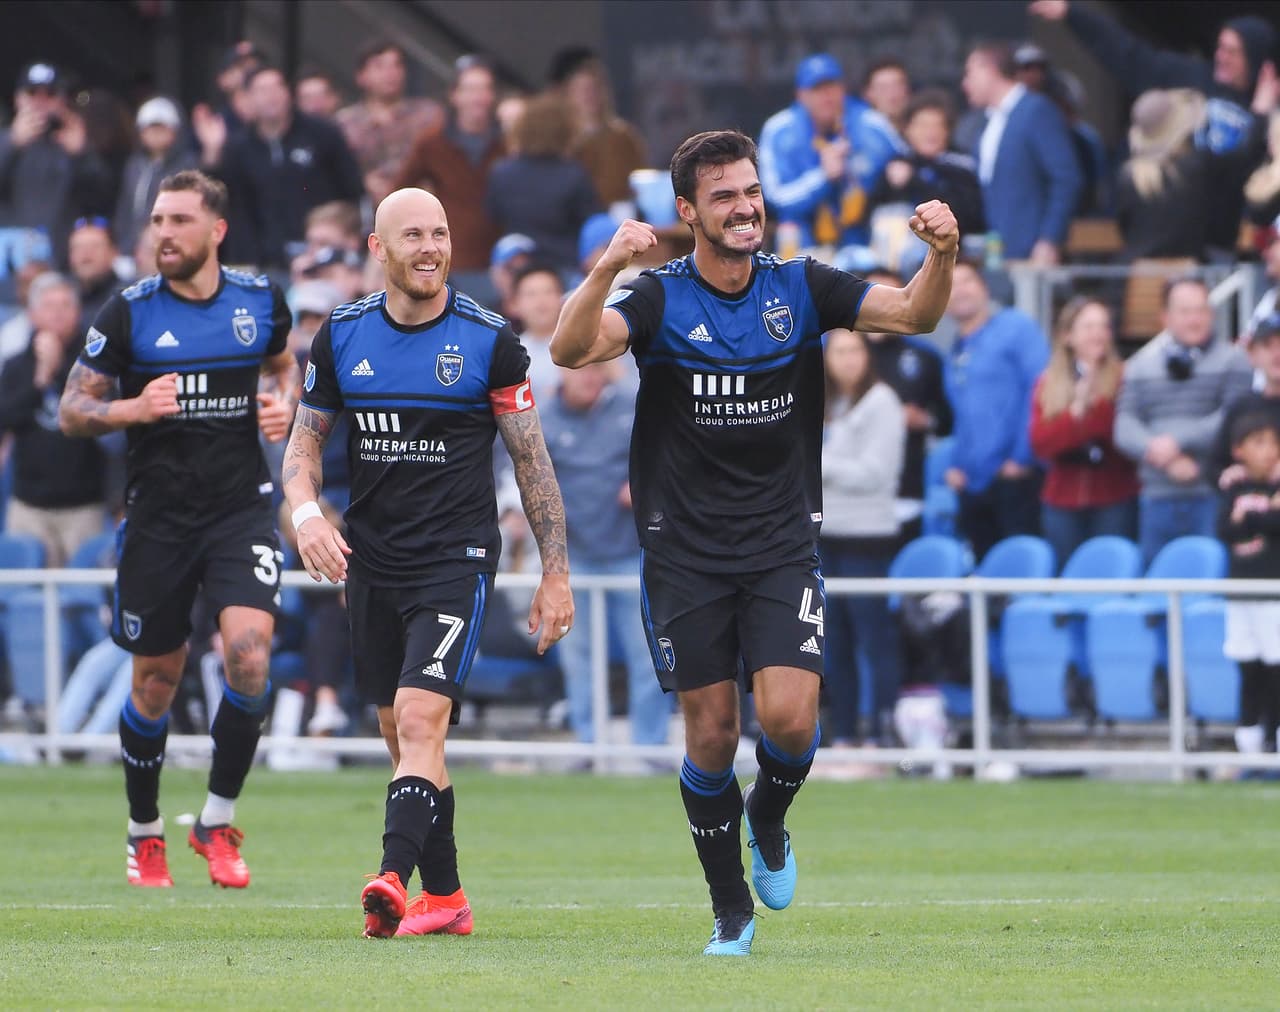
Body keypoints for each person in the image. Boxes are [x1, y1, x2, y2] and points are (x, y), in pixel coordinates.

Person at [550, 129, 957, 955]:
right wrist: (603, 269)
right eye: (725, 196)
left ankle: (767, 815)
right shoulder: (659, 298)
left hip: (778, 542)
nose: (745, 208)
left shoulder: (801, 285)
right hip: (684, 550)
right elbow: (568, 350)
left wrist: (942, 253)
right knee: (709, 736)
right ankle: (729, 910)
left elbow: (914, 313)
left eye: (751, 191)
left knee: (792, 722)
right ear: (688, 212)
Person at [281, 187, 572, 938]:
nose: (431, 247)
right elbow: (303, 447)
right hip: (373, 564)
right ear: (378, 249)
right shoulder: (341, 336)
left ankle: (391, 879)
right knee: (403, 736)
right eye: (412, 235)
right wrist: (309, 515)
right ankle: (446, 898)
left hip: (456, 560)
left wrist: (554, 572)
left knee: (419, 718)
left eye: (440, 233)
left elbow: (532, 461)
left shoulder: (490, 340)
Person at [57, 169, 299, 889]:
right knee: (156, 683)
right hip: (158, 520)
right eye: (158, 220)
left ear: (215, 231)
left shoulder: (259, 301)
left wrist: (283, 407)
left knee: (250, 659)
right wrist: (132, 410)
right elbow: (71, 408)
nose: (163, 233)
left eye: (178, 221)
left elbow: (289, 369)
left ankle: (217, 823)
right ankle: (145, 830)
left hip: (239, 511)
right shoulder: (127, 313)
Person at [1030, 0, 1276, 259]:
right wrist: (1074, 14)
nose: (1222, 57)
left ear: (1257, 58)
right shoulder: (1193, 78)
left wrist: (1262, 115)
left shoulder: (1266, 104)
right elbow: (1130, 56)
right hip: (1181, 233)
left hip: (1237, 236)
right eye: (1221, 48)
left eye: (1233, 52)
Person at [538, 361, 671, 749]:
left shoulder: (632, 407)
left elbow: (668, 455)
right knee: (578, 660)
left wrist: (644, 483)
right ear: (561, 372)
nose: (590, 376)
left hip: (632, 552)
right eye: (581, 369)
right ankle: (588, 743)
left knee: (648, 655)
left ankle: (651, 746)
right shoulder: (543, 418)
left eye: (597, 368)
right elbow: (525, 476)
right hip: (571, 559)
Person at [1114, 277, 1253, 565]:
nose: (1195, 319)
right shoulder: (1140, 366)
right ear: (1165, 317)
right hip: (1156, 496)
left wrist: (1177, 441)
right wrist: (1159, 452)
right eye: (1185, 311)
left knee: (1209, 586)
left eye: (1201, 310)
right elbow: (1124, 425)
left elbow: (1233, 417)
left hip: (1211, 494)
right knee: (1155, 590)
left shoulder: (1235, 361)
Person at [818, 328, 904, 750]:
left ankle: (882, 732)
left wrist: (819, 464)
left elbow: (875, 473)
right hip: (825, 536)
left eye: (855, 350)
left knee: (873, 639)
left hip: (867, 538)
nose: (848, 360)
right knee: (835, 641)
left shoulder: (882, 403)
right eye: (839, 351)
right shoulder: (829, 405)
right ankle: (846, 734)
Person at [943, 259, 1049, 561]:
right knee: (981, 580)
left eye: (967, 281)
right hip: (973, 483)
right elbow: (963, 414)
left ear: (985, 288)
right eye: (951, 284)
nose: (960, 290)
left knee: (1018, 569)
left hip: (1016, 478)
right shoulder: (957, 349)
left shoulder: (1017, 328)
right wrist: (957, 463)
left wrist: (1021, 458)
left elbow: (1040, 390)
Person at [0, 273, 105, 566]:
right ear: (32, 314)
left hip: (85, 506)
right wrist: (41, 378)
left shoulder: (96, 364)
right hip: (28, 506)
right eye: (48, 306)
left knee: (85, 599)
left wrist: (59, 371)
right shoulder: (15, 364)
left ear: (77, 312)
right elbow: (7, 418)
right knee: (25, 601)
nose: (57, 313)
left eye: (65, 305)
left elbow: (97, 415)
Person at [214, 66, 364, 269]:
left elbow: (351, 189)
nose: (271, 97)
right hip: (265, 261)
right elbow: (237, 209)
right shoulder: (237, 149)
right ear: (248, 99)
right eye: (262, 90)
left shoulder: (323, 134)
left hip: (325, 255)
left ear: (289, 93)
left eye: (277, 88)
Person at [1029, 297, 1139, 566]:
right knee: (1066, 574)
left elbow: (1120, 437)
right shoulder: (1048, 382)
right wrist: (1076, 413)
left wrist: (1093, 408)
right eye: (1089, 327)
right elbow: (1041, 443)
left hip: (1114, 495)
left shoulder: (1125, 376)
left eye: (1103, 327)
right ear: (1068, 336)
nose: (1098, 334)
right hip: (1062, 500)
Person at [757, 53, 905, 254]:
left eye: (832, 87)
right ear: (801, 95)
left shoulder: (872, 124)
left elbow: (908, 164)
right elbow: (775, 199)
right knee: (788, 229)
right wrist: (823, 177)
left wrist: (903, 172)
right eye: (817, 89)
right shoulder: (779, 130)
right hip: (804, 241)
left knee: (894, 218)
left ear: (843, 89)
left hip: (864, 237)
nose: (826, 96)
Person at [962, 41, 1082, 265]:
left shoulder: (1036, 110)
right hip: (995, 250)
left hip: (1030, 249)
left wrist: (1049, 239)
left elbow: (1066, 178)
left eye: (970, 73)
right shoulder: (987, 121)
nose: (965, 84)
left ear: (990, 69)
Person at [393, 55, 506, 283]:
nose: (479, 98)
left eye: (485, 90)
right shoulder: (432, 142)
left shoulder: (508, 141)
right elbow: (399, 191)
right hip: (452, 256)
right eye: (471, 89)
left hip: (500, 258)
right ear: (455, 95)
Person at [860, 268, 952, 544]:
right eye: (876, 294)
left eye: (893, 294)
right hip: (843, 493)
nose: (884, 304)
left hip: (906, 491)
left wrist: (926, 421)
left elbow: (947, 419)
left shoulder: (925, 357)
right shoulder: (837, 352)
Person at [0, 61, 115, 266]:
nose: (40, 101)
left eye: (50, 94)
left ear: (62, 101)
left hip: (61, 261)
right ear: (18, 99)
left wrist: (82, 154)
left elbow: (103, 200)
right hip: (10, 260)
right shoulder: (6, 141)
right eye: (32, 93)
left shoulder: (76, 143)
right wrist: (11, 144)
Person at [1216, 412, 1280, 764]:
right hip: (1241, 594)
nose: (1269, 451)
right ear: (1239, 450)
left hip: (1273, 595)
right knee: (1247, 667)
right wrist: (1263, 517)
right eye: (1259, 443)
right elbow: (1226, 530)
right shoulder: (1232, 488)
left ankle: (1274, 737)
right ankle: (1249, 742)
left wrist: (1252, 519)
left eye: (1273, 443)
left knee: (1276, 668)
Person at [485, 94, 600, 275]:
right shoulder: (573, 174)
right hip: (564, 268)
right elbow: (592, 223)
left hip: (517, 268)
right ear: (564, 131)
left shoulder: (502, 172)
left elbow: (493, 216)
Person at [867, 89, 986, 246]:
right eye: (923, 125)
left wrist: (914, 181)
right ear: (907, 129)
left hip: (952, 255)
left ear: (948, 131)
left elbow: (967, 218)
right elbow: (870, 212)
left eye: (938, 125)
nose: (931, 132)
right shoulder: (896, 164)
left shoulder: (961, 166)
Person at [336, 40, 444, 206]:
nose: (390, 73)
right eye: (380, 67)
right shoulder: (344, 123)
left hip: (420, 203)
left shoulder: (428, 115)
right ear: (361, 76)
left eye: (397, 65)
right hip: (363, 209)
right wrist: (363, 181)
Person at [1114, 90, 1212, 262]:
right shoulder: (1199, 168)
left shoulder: (1128, 178)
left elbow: (1124, 227)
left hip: (1133, 277)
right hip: (1191, 277)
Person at [548, 46, 648, 208]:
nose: (589, 96)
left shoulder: (623, 136)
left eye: (594, 89)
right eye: (582, 90)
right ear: (568, 94)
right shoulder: (558, 141)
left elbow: (639, 180)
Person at [114, 97, 199, 257]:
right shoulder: (135, 165)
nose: (155, 134)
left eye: (162, 128)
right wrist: (124, 246)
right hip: (133, 249)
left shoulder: (188, 164)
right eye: (150, 128)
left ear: (174, 131)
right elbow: (125, 209)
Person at [510, 263, 566, 404]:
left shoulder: (582, 345)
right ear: (515, 304)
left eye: (548, 292)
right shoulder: (510, 353)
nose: (541, 301)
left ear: (562, 298)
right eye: (531, 294)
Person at [67, 216, 127, 328]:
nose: (86, 254)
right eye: (78, 247)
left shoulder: (129, 299)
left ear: (114, 253)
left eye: (95, 246)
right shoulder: (62, 297)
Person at [862, 59, 912, 136]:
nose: (892, 93)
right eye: (883, 88)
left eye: (897, 86)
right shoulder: (861, 134)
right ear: (868, 94)